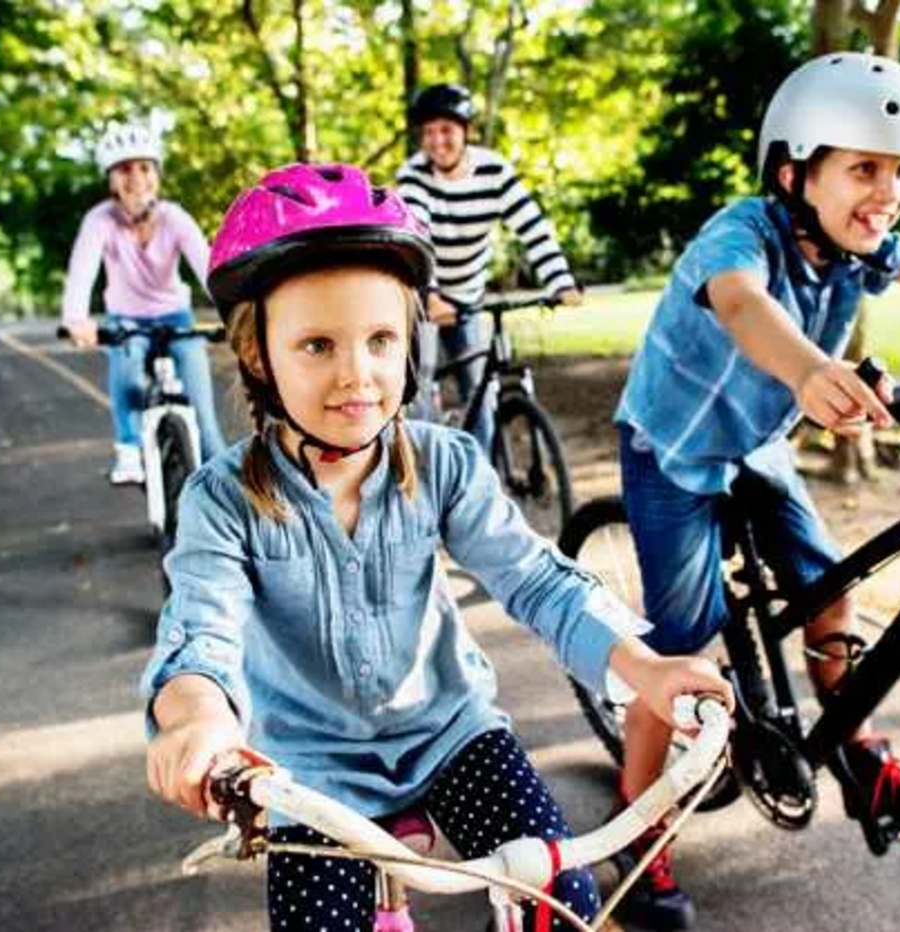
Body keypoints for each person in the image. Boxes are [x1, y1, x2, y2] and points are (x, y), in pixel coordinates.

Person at [140, 162, 733, 932]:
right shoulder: (223, 499)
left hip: (449, 732)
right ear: (259, 355)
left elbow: (537, 581)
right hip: (308, 771)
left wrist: (644, 669)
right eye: (317, 345)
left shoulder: (445, 463)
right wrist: (197, 722)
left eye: (381, 339)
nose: (358, 374)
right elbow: (200, 632)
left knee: (563, 902)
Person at [612, 52, 900, 931]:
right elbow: (740, 304)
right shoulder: (741, 234)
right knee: (681, 657)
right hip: (674, 452)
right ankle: (638, 836)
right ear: (794, 171)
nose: (890, 191)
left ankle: (859, 757)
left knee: (830, 595)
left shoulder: (864, 250)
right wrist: (809, 370)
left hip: (759, 445)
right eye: (865, 167)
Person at [395, 84, 583, 450]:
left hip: (468, 295)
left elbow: (532, 227)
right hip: (422, 296)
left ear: (466, 131)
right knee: (415, 393)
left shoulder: (494, 170)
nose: (437, 141)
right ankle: (415, 474)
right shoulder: (413, 174)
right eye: (429, 133)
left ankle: (479, 482)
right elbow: (417, 235)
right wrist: (430, 294)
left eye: (446, 130)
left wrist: (561, 282)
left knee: (480, 391)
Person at [62, 120, 227, 484]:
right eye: (124, 169)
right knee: (128, 362)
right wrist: (77, 318)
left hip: (176, 318)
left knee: (205, 422)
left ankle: (228, 506)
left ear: (156, 174)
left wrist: (235, 310)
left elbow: (209, 269)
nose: (135, 177)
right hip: (127, 320)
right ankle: (129, 449)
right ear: (111, 180)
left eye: (144, 167)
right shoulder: (99, 221)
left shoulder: (175, 218)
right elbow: (82, 271)